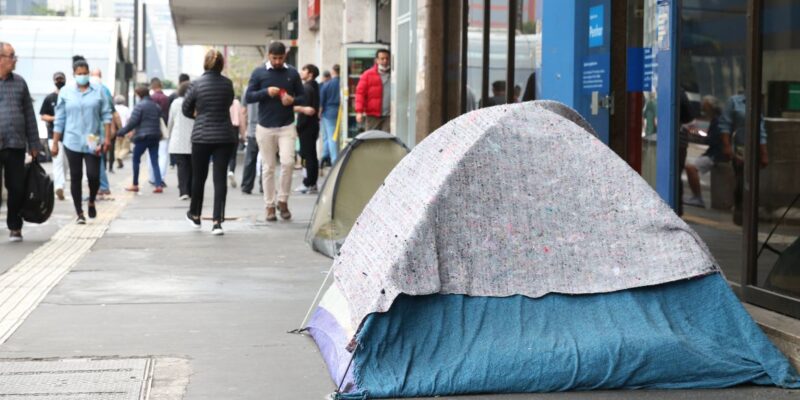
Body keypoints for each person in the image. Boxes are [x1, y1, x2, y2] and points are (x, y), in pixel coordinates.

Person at [245, 41, 304, 222]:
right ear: (268, 55)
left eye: (280, 58)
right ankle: (269, 205)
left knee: (287, 163)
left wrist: (292, 100)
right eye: (274, 58)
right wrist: (266, 92)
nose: (277, 61)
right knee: (268, 167)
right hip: (265, 127)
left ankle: (283, 200)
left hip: (286, 126)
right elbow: (249, 96)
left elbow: (303, 95)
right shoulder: (259, 72)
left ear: (285, 56)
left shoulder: (292, 73)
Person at [51, 55, 112, 225]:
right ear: (74, 74)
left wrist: (107, 138)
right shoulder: (65, 92)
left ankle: (91, 200)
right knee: (76, 175)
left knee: (93, 175)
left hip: (93, 139)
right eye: (80, 73)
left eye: (85, 73)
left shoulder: (98, 90)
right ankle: (79, 212)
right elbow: (59, 119)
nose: (83, 76)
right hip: (72, 139)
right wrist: (55, 142)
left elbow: (106, 115)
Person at [183, 49, 237, 235]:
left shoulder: (196, 84)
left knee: (199, 177)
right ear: (221, 64)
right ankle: (217, 222)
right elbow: (228, 103)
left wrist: (198, 115)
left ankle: (195, 216)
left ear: (205, 63)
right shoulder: (227, 84)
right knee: (219, 179)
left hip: (201, 136)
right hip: (224, 135)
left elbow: (185, 108)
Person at [0, 41, 42, 242]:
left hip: (15, 144)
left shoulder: (20, 83)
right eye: (11, 55)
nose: (15, 59)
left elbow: (29, 115)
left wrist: (34, 144)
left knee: (16, 187)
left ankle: (15, 226)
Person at [719, 93, 769, 225]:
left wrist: (764, 153)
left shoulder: (758, 105)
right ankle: (739, 209)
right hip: (738, 147)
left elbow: (761, 130)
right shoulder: (734, 102)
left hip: (753, 148)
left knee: (752, 181)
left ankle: (750, 211)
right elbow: (725, 125)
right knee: (741, 178)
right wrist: (727, 145)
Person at [116, 85, 164, 193]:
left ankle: (135, 184)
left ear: (138, 95)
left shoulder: (139, 106)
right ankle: (158, 185)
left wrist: (121, 132)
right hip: (155, 136)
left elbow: (132, 123)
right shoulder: (156, 106)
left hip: (142, 137)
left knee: (136, 160)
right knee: (154, 161)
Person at [685, 96, 723, 208]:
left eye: (705, 107)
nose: (703, 110)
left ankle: (698, 197)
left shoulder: (718, 121)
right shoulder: (715, 120)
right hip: (713, 153)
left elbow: (713, 139)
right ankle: (696, 196)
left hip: (715, 155)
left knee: (691, 168)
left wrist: (699, 137)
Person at [40, 71, 68, 201]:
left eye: (61, 78)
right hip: (53, 136)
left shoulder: (69, 96)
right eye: (57, 79)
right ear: (54, 81)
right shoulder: (49, 98)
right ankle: (59, 186)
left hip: (68, 136)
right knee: (57, 162)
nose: (59, 81)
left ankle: (62, 185)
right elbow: (42, 115)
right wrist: (54, 118)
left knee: (66, 163)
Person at [90, 68, 117, 196]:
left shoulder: (93, 90)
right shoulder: (105, 90)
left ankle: (102, 186)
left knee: (95, 158)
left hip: (93, 133)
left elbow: (108, 112)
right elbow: (111, 111)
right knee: (97, 158)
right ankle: (101, 185)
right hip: (97, 131)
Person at [294, 64, 320, 194]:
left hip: (307, 127)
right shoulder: (314, 86)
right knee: (312, 155)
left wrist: (298, 127)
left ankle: (308, 182)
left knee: (307, 156)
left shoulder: (306, 88)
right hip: (313, 125)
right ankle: (312, 182)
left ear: (310, 74)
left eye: (304, 70)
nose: (301, 72)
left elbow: (306, 111)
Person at [168, 81, 194, 200]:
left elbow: (171, 121)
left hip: (178, 138)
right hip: (194, 138)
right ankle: (191, 190)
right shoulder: (196, 102)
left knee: (182, 166)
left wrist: (168, 135)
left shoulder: (175, 103)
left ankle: (183, 191)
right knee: (193, 166)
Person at [355, 49, 391, 132]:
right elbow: (360, 94)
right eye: (382, 59)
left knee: (386, 140)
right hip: (372, 116)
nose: (385, 61)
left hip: (389, 116)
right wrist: (359, 112)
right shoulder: (368, 75)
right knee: (371, 140)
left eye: (387, 58)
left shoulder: (393, 74)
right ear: (377, 60)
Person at [148, 77, 169, 187]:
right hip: (164, 128)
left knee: (151, 154)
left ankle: (152, 177)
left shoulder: (150, 98)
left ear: (152, 86)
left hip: (151, 129)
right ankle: (160, 177)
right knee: (163, 154)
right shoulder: (166, 98)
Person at [240, 87, 261, 195]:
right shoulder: (269, 87)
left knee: (250, 159)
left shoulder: (248, 90)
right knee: (266, 159)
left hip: (252, 129)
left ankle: (246, 186)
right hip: (267, 127)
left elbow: (243, 111)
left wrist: (244, 131)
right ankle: (264, 186)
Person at [319, 64, 340, 165]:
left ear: (333, 72)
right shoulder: (342, 82)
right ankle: (325, 155)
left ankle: (332, 159)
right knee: (331, 136)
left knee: (329, 136)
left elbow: (321, 102)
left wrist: (319, 113)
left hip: (328, 112)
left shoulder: (327, 84)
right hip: (339, 111)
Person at [227, 96, 244, 188]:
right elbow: (241, 120)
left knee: (224, 155)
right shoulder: (237, 103)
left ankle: (223, 173)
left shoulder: (222, 100)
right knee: (233, 155)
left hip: (224, 128)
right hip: (234, 129)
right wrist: (243, 134)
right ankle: (231, 171)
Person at [113, 95, 132, 169]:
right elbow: (130, 120)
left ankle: (117, 157)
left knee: (117, 147)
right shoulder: (126, 109)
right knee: (125, 148)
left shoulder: (113, 109)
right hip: (125, 130)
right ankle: (120, 157)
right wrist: (131, 130)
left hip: (116, 130)